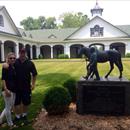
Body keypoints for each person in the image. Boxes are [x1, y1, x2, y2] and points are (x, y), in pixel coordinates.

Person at [14, 48, 37, 125]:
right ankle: (17, 117)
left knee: (26, 102)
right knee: (16, 103)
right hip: (16, 87)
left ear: (26, 53)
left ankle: (24, 115)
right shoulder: (15, 62)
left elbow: (34, 74)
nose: (22, 54)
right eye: (21, 53)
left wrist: (33, 84)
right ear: (19, 53)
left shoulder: (30, 63)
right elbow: (8, 67)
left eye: (24, 53)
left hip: (26, 87)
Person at [0, 52, 17, 129]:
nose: (12, 59)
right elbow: (3, 79)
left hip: (12, 89)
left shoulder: (12, 66)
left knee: (9, 106)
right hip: (7, 90)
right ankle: (10, 124)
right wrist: (6, 89)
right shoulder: (5, 66)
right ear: (7, 58)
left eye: (14, 58)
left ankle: (0, 119)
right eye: (11, 58)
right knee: (8, 107)